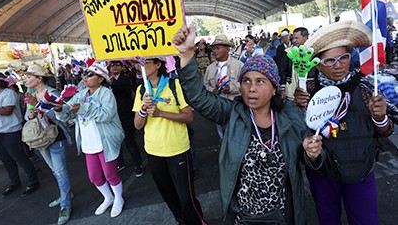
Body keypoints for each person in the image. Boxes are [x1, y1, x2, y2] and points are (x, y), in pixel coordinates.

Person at [173, 24, 311, 224]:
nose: (251, 88)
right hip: (244, 216)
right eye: (246, 81)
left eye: (260, 82)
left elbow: (312, 160)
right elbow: (198, 97)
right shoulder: (232, 113)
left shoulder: (290, 117)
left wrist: (313, 155)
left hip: (282, 215)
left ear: (274, 88)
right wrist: (186, 54)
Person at [295, 21, 394, 225]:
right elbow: (297, 134)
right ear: (318, 63)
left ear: (351, 57)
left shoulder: (368, 87)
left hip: (361, 172)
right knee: (328, 220)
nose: (338, 65)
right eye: (330, 61)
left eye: (344, 58)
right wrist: (297, 107)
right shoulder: (307, 92)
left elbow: (385, 132)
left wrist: (380, 117)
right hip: (323, 173)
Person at [132, 57, 206, 225]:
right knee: (169, 195)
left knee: (186, 197)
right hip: (153, 151)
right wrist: (144, 108)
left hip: (178, 149)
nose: (140, 65)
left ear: (158, 65)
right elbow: (137, 125)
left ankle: (197, 221)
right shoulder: (141, 90)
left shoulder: (174, 85)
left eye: (146, 61)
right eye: (138, 62)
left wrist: (160, 113)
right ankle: (181, 221)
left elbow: (189, 117)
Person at [54, 62, 125, 218]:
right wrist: (60, 109)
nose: (85, 77)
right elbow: (68, 112)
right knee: (94, 177)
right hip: (89, 142)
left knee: (110, 174)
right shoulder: (81, 93)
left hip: (104, 140)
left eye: (90, 74)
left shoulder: (106, 93)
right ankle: (108, 197)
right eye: (85, 74)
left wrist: (82, 109)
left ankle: (118, 198)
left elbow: (107, 115)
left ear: (100, 79)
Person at [24, 64, 73, 225]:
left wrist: (37, 105)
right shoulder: (32, 94)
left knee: (60, 171)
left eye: (29, 76)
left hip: (55, 136)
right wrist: (31, 113)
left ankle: (66, 204)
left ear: (39, 78)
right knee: (54, 170)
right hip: (39, 138)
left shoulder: (52, 93)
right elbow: (28, 116)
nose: (26, 79)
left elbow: (59, 115)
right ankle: (66, 193)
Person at [0, 72, 39, 197]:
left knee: (20, 158)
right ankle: (14, 182)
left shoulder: (9, 93)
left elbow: (7, 111)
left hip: (10, 131)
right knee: (6, 160)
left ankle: (33, 181)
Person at [204, 35, 244, 139]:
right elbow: (205, 85)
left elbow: (245, 85)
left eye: (218, 48)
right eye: (213, 49)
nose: (214, 51)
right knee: (221, 132)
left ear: (227, 49)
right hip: (218, 107)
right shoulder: (210, 68)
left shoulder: (239, 65)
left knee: (236, 131)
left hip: (234, 105)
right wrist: (213, 90)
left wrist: (231, 88)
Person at [108, 60, 144, 177]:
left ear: (122, 67)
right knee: (116, 142)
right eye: (112, 65)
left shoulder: (126, 78)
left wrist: (109, 81)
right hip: (112, 116)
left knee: (130, 141)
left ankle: (138, 164)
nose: (115, 67)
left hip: (127, 114)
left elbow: (121, 87)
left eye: (117, 64)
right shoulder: (105, 81)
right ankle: (120, 162)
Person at [274, 30, 292, 101]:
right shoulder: (280, 48)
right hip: (284, 69)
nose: (285, 39)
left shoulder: (294, 45)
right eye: (283, 38)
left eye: (286, 37)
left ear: (289, 36)